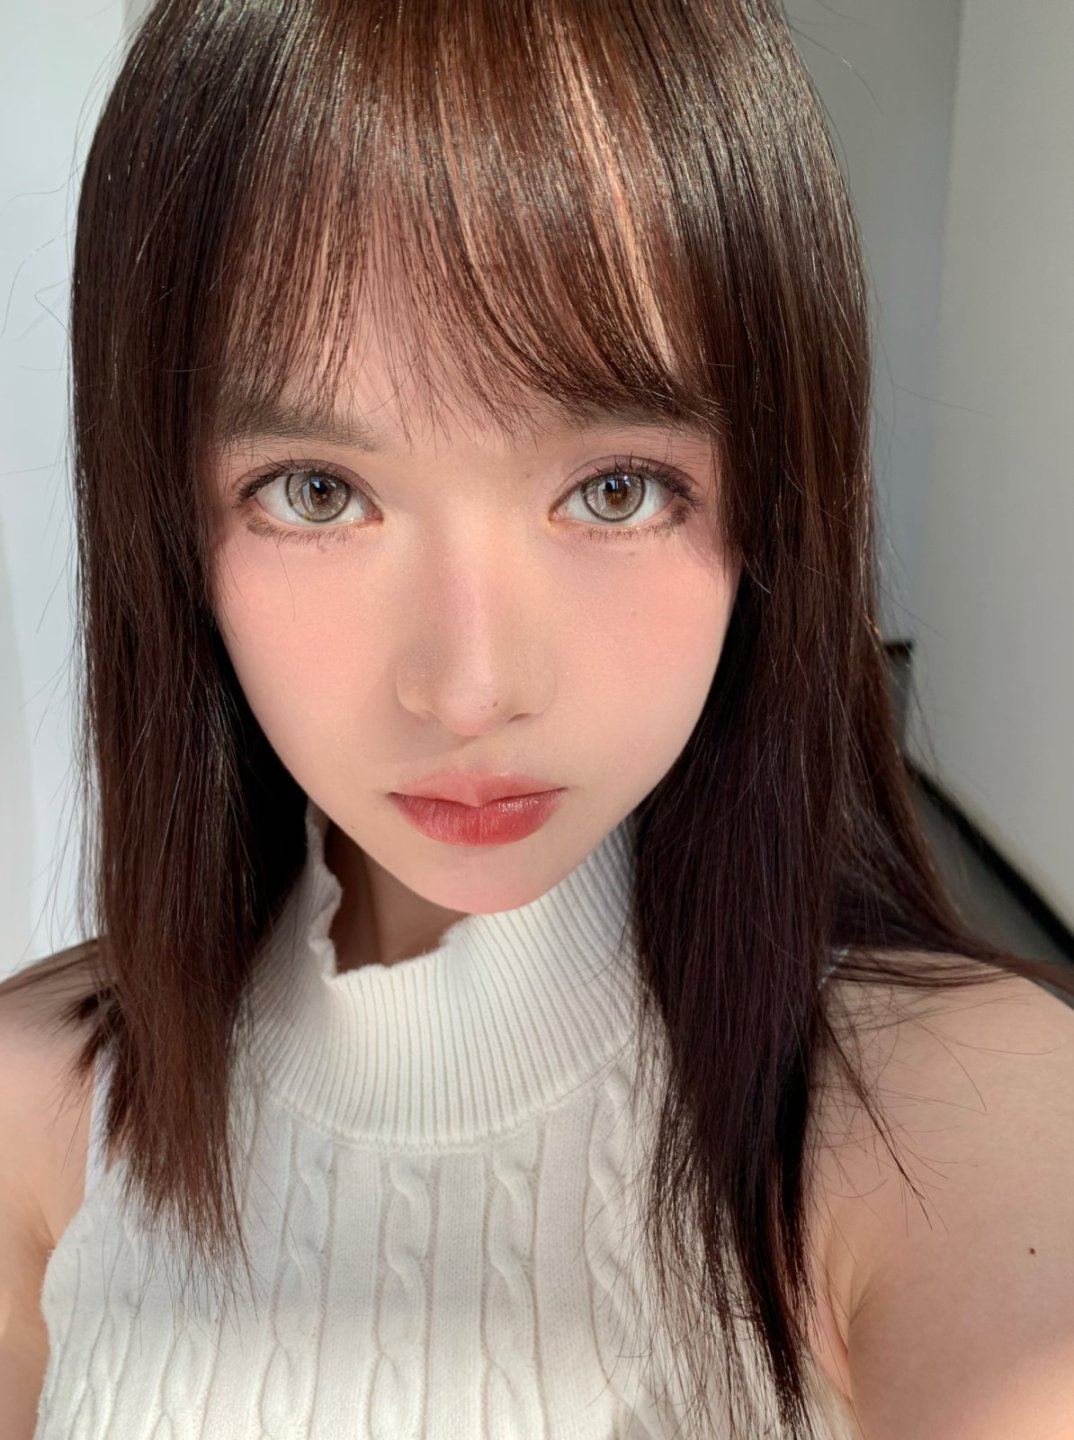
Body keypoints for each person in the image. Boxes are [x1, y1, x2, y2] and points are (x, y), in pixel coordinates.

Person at [2, 0, 1073, 1436]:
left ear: (771, 501)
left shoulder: (952, 1107)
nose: (469, 688)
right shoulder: (38, 1107)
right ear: (169, 528)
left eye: (613, 489)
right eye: (317, 491)